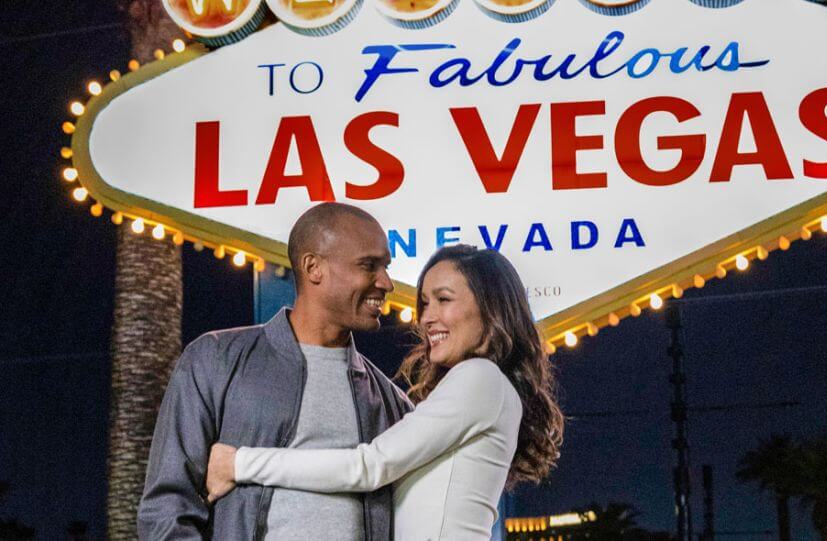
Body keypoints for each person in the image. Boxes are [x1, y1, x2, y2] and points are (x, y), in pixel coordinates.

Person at [205, 244, 565, 540]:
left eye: (444, 299)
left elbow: (369, 465)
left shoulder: (480, 378)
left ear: (490, 308)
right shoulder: (483, 385)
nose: (426, 317)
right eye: (425, 302)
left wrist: (238, 462)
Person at [137, 203, 413, 540]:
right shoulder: (215, 360)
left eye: (385, 267)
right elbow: (167, 505)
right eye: (369, 266)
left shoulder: (390, 402)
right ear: (314, 267)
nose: (386, 283)